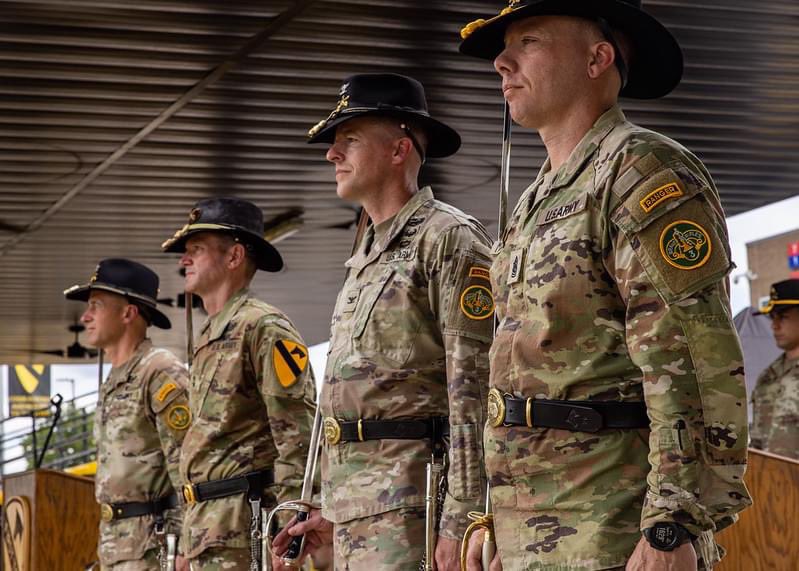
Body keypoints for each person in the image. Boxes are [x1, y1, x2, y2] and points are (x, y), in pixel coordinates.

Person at [458, 1, 751, 569]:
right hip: (533, 527)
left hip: (614, 528)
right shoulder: (534, 201)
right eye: (505, 47)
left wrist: (674, 521)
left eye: (529, 41)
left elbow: (690, 357)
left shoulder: (640, 170)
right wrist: (497, 514)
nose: (502, 61)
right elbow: (524, 370)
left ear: (598, 58)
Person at [273, 73, 493, 570]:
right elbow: (356, 401)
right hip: (358, 511)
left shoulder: (448, 239)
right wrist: (328, 507)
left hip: (415, 510)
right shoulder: (364, 254)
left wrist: (463, 518)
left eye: (348, 139)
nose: (333, 154)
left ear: (398, 150)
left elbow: (474, 388)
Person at [160, 197, 316, 570]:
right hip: (208, 528)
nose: (184, 260)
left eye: (196, 249)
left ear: (233, 257)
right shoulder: (209, 333)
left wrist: (291, 533)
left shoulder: (264, 327)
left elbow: (297, 433)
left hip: (245, 526)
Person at [64, 258, 190, 570]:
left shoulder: (160, 371)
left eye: (96, 305)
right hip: (118, 545)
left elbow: (189, 463)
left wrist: (188, 545)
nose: (85, 316)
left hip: (154, 546)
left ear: (127, 312)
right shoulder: (115, 378)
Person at [750, 279, 799, 459]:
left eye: (783, 316)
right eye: (772, 317)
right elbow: (756, 443)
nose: (774, 325)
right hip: (771, 483)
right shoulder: (767, 377)